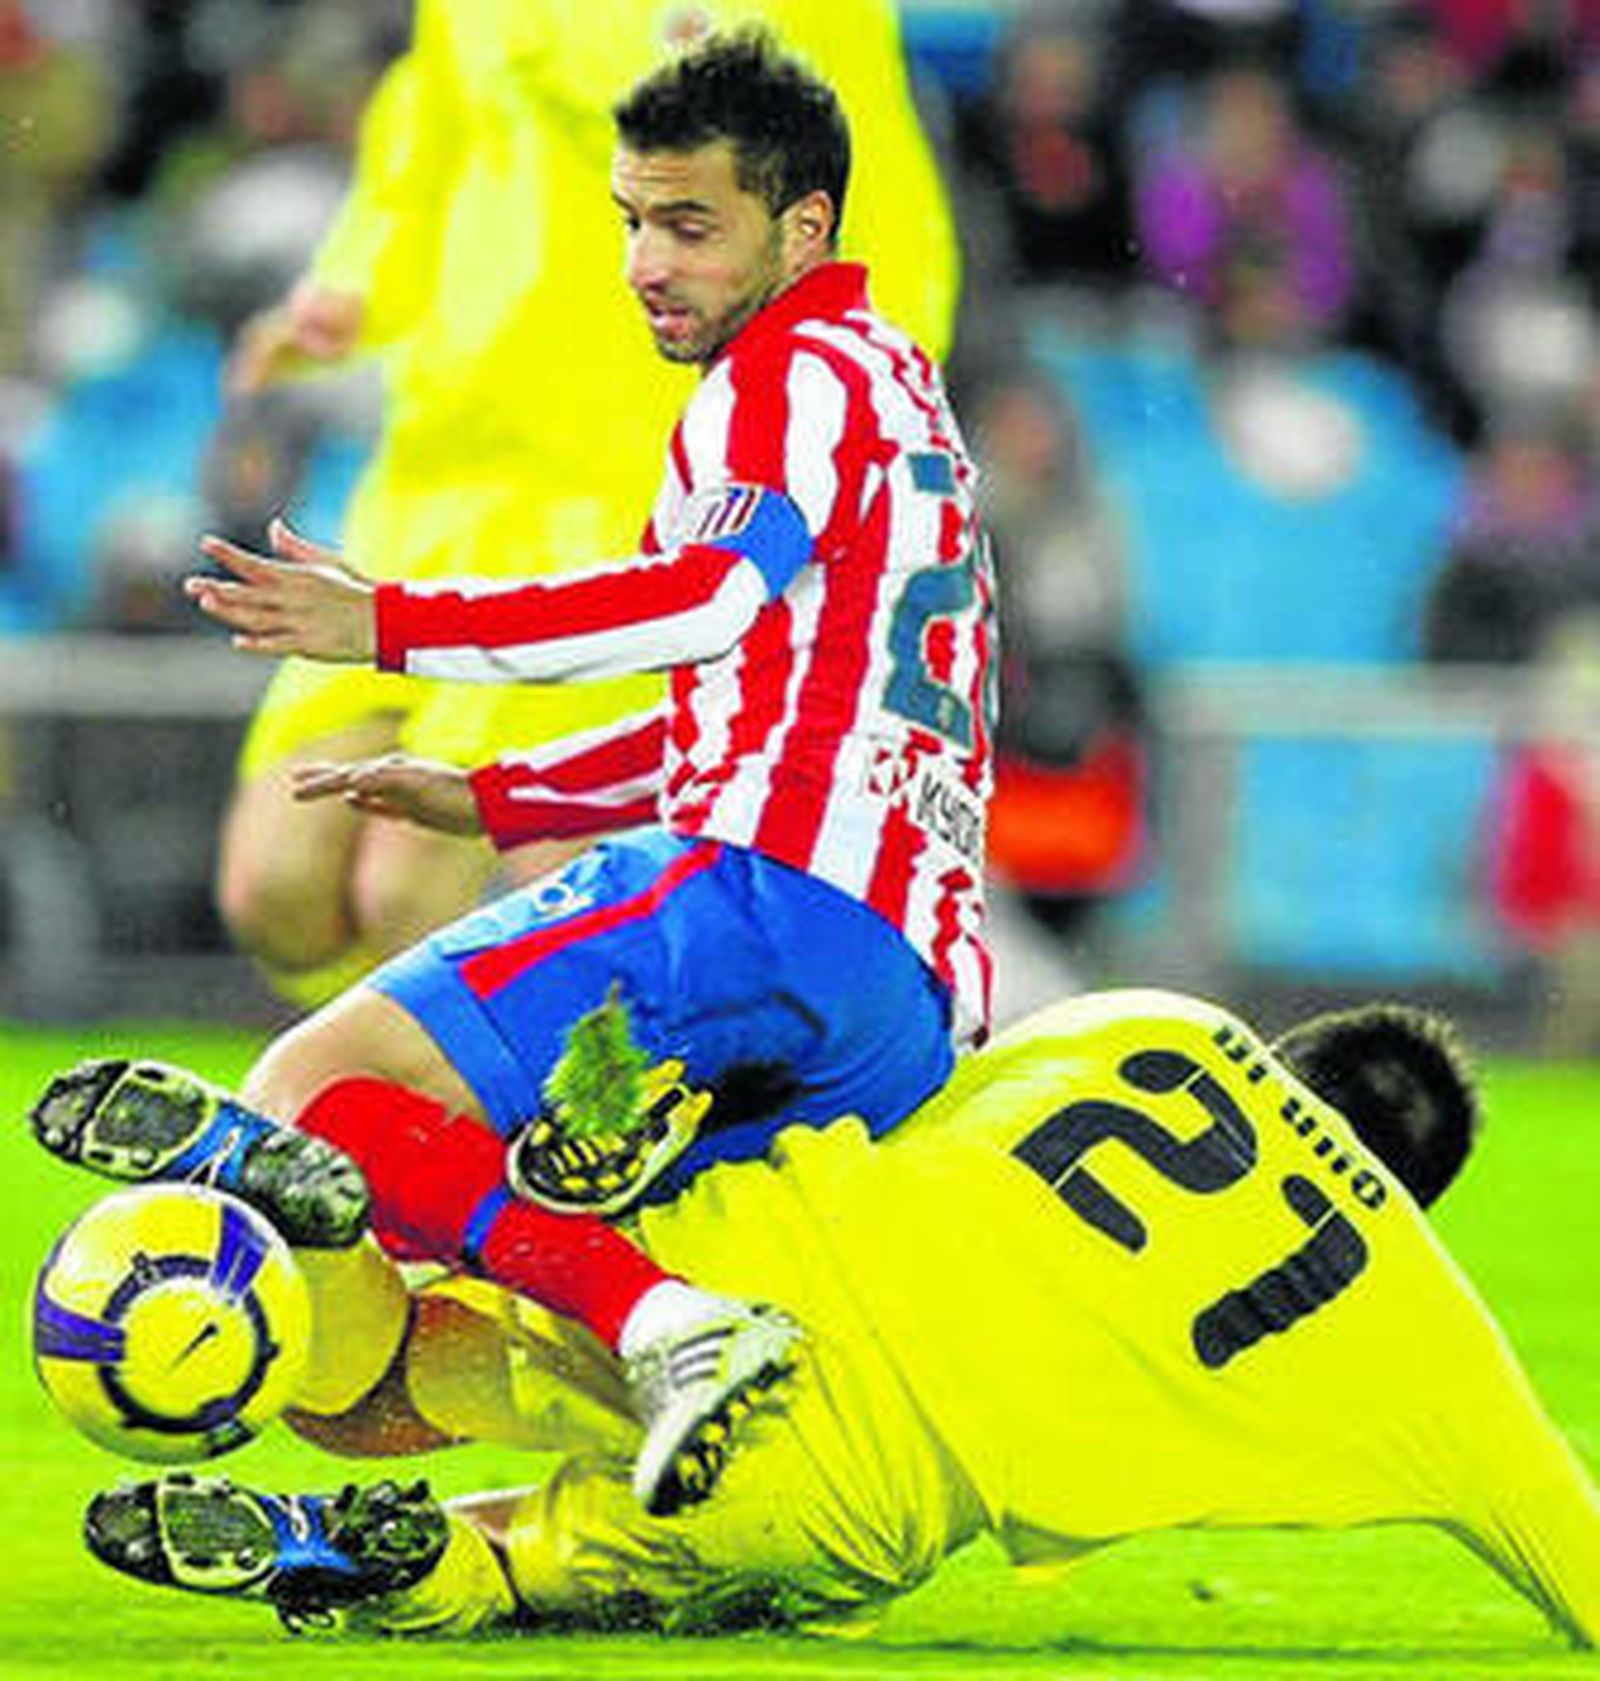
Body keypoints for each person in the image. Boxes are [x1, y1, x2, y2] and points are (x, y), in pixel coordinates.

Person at [42, 31, 994, 1520]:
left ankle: (660, 1328)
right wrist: (505, 803)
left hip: (759, 895)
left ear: (804, 228)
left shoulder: (778, 381)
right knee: (428, 1326)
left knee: (313, 1083)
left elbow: (706, 604)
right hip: (905, 988)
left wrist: (396, 628)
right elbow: (771, 703)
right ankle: (601, 1425)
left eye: (689, 226)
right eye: (630, 222)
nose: (645, 266)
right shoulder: (899, 401)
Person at [63, 988, 1600, 1645]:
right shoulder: (1424, 1321)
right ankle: (407, 1557)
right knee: (531, 1564)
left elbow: (918, 1094)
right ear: (1418, 1197)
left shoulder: (1163, 1029)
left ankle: (330, 1202)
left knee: (371, 1377)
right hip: (855, 1479)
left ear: (1290, 1049)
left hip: (751, 1257)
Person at [215, 0, 961, 1009]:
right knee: (278, 891)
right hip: (442, 476)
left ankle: (465, 1133)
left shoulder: (811, 21)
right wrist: (351, 289)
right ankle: (477, 1084)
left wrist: (845, 425)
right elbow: (428, 139)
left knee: (416, 891)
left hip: (626, 484)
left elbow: (893, 224)